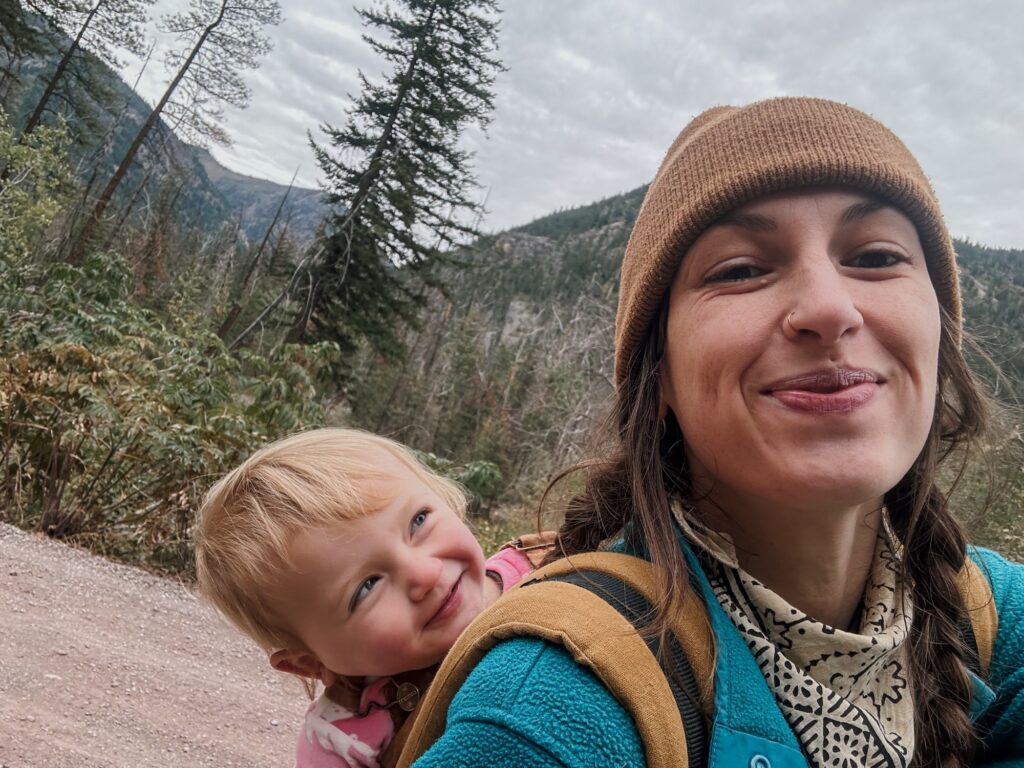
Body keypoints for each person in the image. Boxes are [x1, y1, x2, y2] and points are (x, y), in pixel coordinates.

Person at [410, 97, 1024, 767]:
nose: (828, 307)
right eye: (741, 270)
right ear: (660, 376)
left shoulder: (992, 617)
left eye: (876, 256)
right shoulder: (551, 710)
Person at [194, 428, 545, 768]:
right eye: (367, 587)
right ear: (310, 663)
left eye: (418, 521)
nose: (425, 574)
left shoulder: (551, 561)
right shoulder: (342, 739)